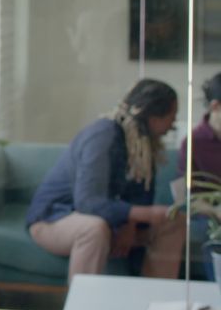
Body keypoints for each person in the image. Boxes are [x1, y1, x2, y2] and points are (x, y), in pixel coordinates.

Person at [26, 79, 185, 281]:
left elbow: (140, 196)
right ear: (153, 117)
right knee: (94, 228)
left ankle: (155, 304)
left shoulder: (143, 145)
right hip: (57, 218)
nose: (173, 123)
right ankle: (82, 309)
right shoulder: (103, 136)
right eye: (172, 116)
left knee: (173, 222)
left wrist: (131, 224)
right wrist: (143, 214)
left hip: (111, 222)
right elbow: (88, 202)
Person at [177, 72, 221, 280]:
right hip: (208, 216)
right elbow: (184, 197)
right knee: (210, 234)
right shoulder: (192, 143)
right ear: (215, 106)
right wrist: (215, 211)